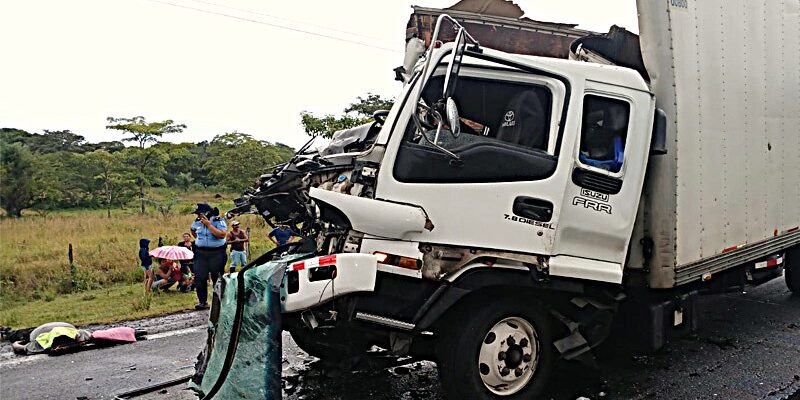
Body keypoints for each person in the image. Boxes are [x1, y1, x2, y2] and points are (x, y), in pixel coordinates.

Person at [190, 203, 228, 310]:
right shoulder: (197, 222)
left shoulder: (218, 221)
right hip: (201, 253)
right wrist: (200, 240)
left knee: (217, 277)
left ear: (206, 213)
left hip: (216, 253)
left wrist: (208, 225)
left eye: (199, 213)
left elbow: (221, 234)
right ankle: (202, 302)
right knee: (200, 277)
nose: (197, 216)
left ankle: (220, 300)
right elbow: (193, 230)